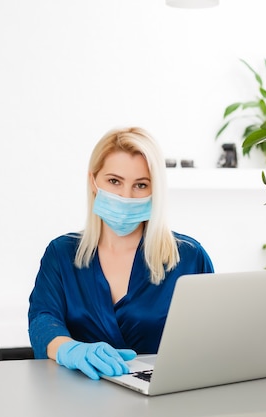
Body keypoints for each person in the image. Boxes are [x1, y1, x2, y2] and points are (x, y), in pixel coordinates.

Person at [28, 127, 214, 380]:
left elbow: (209, 339)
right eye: (114, 181)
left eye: (140, 185)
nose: (126, 197)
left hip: (163, 399)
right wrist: (68, 349)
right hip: (79, 396)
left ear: (155, 190)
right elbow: (42, 318)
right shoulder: (61, 254)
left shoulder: (189, 258)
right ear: (94, 182)